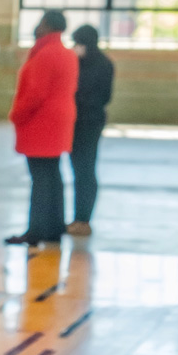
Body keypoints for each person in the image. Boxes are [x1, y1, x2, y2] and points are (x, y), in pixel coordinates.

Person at [6, 9, 79, 248]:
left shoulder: (45, 54)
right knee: (52, 174)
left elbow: (35, 94)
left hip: (41, 121)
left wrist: (16, 115)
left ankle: (35, 230)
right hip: (60, 120)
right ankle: (55, 228)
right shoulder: (68, 54)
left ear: (46, 25)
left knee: (40, 177)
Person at [68, 22, 115, 235]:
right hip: (75, 122)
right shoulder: (76, 62)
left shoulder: (103, 64)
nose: (76, 47)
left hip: (90, 122)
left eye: (78, 43)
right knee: (78, 170)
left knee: (85, 170)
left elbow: (104, 96)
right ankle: (78, 217)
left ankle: (83, 219)